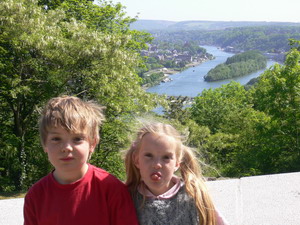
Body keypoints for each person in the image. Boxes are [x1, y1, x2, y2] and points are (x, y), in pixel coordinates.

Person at [24, 95, 139, 225]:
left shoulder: (112, 190)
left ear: (93, 144)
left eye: (77, 139)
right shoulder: (36, 196)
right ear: (44, 144)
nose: (66, 148)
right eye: (56, 139)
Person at [124, 122, 229, 225]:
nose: (157, 165)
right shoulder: (126, 199)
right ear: (136, 160)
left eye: (166, 157)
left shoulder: (195, 196)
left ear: (177, 163)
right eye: (148, 155)